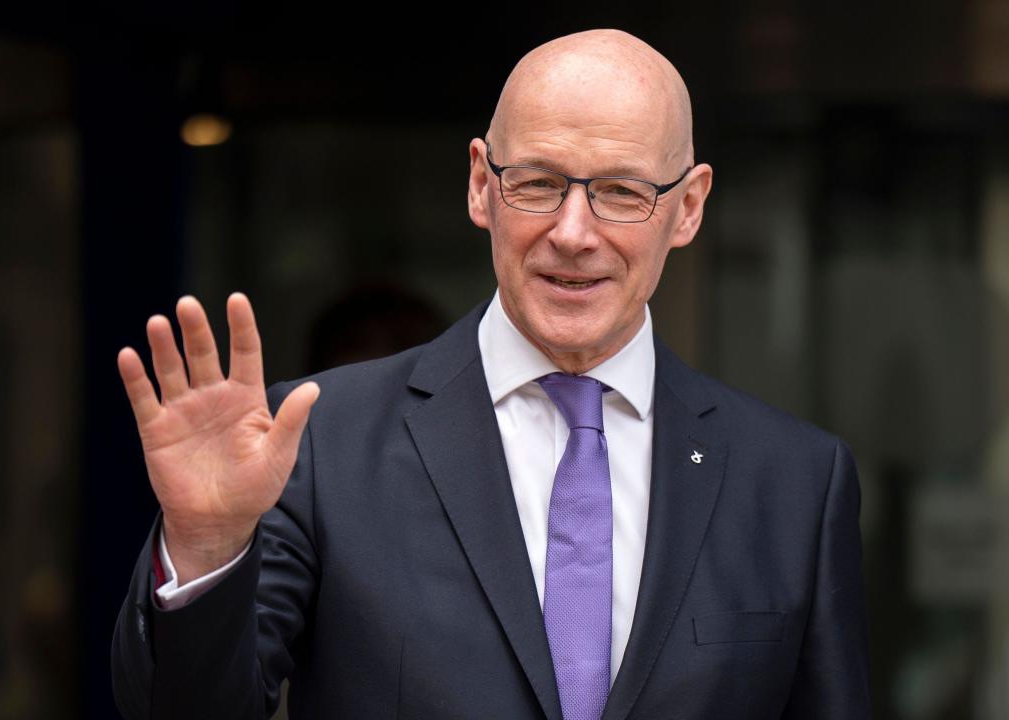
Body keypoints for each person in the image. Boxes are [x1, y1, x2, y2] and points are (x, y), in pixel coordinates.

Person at [111, 29, 870, 719]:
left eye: (621, 192)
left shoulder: (795, 481)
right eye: (537, 183)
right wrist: (208, 548)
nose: (573, 234)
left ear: (688, 207)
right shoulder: (319, 445)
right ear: (480, 185)